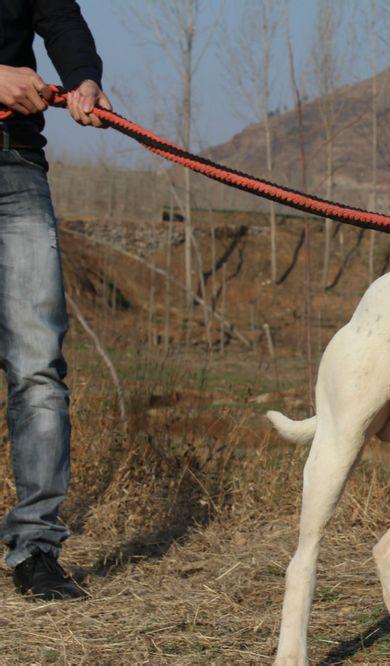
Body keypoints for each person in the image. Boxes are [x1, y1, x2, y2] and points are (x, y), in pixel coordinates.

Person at [0, 0, 111, 600]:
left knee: (39, 366)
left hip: (16, 166)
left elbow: (62, 20)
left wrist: (84, 80)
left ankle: (36, 549)